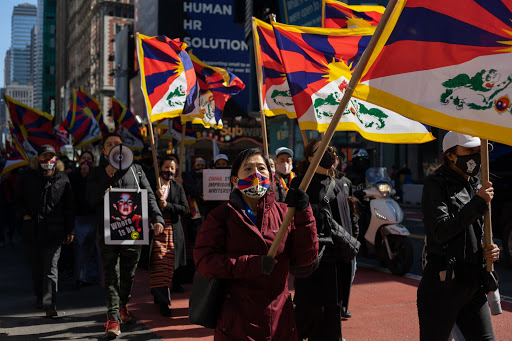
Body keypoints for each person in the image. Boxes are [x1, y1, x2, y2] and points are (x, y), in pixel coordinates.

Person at [194, 148, 319, 341]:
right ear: (235, 180)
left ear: (270, 176)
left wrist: (304, 214)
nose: (256, 174)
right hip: (237, 321)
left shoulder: (286, 213)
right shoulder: (220, 216)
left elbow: (305, 259)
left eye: (262, 168)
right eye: (248, 168)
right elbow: (205, 261)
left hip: (279, 320)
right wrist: (252, 265)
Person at [418, 131, 500, 341]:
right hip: (443, 285)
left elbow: (472, 233)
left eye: (479, 150)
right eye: (470, 150)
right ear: (451, 155)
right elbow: (440, 232)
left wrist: (487, 251)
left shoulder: (475, 184)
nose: (476, 155)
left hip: (473, 284)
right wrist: (478, 203)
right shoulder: (436, 184)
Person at [86, 133, 165, 338]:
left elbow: (148, 195)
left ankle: (122, 304)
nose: (114, 147)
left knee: (129, 274)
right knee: (111, 274)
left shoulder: (137, 170)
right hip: (107, 232)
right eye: (109, 145)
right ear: (104, 151)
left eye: (117, 144)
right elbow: (90, 200)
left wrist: (158, 218)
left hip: (132, 232)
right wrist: (106, 175)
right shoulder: (97, 172)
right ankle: (113, 319)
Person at [291, 139, 356, 341]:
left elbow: (346, 219)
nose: (327, 153)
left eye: (329, 149)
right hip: (313, 260)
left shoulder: (338, 184)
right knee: (309, 312)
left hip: (335, 261)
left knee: (332, 312)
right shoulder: (300, 183)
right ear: (310, 158)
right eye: (321, 150)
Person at [16, 145, 75, 318]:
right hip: (32, 231)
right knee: (36, 268)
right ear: (38, 159)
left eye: (51, 157)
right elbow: (17, 201)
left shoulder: (62, 179)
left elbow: (69, 207)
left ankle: (50, 304)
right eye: (44, 157)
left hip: (54, 232)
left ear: (55, 160)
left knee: (51, 268)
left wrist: (71, 229)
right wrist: (24, 215)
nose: (47, 161)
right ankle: (40, 296)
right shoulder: (27, 177)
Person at [151, 156, 189, 316]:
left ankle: (163, 299)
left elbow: (185, 208)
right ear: (160, 168)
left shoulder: (177, 187)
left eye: (172, 168)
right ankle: (160, 297)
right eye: (167, 167)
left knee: (167, 267)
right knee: (158, 264)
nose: (169, 171)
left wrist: (168, 205)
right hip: (156, 230)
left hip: (172, 231)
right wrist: (155, 195)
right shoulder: (152, 185)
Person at [69, 151, 100, 287]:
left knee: (91, 248)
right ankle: (80, 277)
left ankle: (91, 276)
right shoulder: (73, 176)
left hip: (92, 216)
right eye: (83, 159)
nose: (86, 161)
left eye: (89, 159)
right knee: (80, 248)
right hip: (78, 217)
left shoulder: (96, 176)